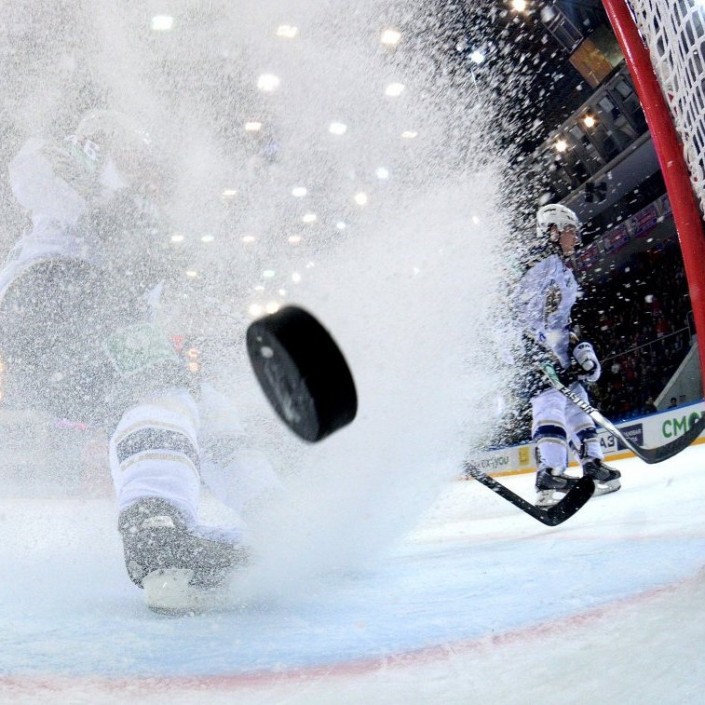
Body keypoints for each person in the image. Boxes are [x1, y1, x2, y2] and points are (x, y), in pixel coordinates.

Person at [0, 109, 268, 611]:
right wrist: (105, 186)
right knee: (160, 391)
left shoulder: (138, 222)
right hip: (58, 292)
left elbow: (145, 294)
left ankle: (274, 514)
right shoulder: (85, 170)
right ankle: (157, 527)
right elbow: (38, 169)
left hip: (67, 322)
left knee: (199, 403)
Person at [514, 203, 621, 507]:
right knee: (549, 401)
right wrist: (532, 351)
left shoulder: (565, 275)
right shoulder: (535, 263)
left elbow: (563, 322)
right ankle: (550, 472)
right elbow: (513, 312)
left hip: (555, 351)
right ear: (552, 231)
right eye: (570, 231)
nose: (576, 237)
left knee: (578, 401)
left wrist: (580, 349)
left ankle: (592, 462)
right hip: (531, 351)